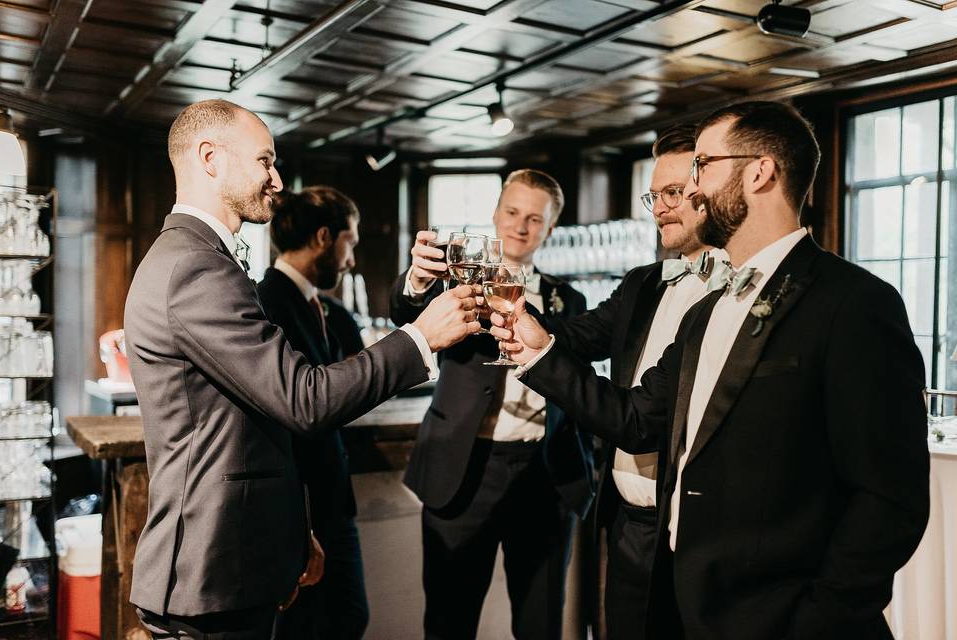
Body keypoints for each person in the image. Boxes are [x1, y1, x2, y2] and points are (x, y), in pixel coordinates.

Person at [494, 101, 929, 640]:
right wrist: (536, 347)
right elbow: (639, 418)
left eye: (703, 166)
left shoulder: (855, 303)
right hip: (690, 596)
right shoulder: (707, 311)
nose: (691, 190)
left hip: (786, 616)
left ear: (759, 171)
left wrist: (820, 616)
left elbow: (890, 499)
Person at [124, 99, 480, 639]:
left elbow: (251, 423)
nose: (277, 178)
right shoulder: (195, 266)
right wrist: (420, 337)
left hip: (238, 556)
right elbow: (303, 399)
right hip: (210, 568)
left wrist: (292, 530)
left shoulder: (199, 259)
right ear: (209, 158)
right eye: (265, 161)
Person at [532, 123, 721, 640]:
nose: (659, 208)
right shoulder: (643, 281)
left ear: (712, 194)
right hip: (627, 526)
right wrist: (507, 312)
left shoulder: (733, 294)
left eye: (674, 194)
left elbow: (640, 418)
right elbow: (575, 335)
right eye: (654, 195)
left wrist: (536, 352)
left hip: (691, 532)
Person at [389, 169, 591, 640]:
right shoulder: (462, 285)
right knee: (449, 621)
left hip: (546, 474)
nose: (520, 227)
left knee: (541, 622)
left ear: (549, 229)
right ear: (496, 213)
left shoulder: (570, 300)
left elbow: (576, 381)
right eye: (513, 212)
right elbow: (404, 309)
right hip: (464, 469)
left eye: (535, 219)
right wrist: (419, 278)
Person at [256, 186, 370, 639]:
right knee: (306, 629)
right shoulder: (268, 303)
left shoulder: (327, 309)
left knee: (347, 619)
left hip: (332, 499)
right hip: (301, 506)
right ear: (325, 236)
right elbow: (287, 412)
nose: (352, 259)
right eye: (351, 243)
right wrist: (299, 524)